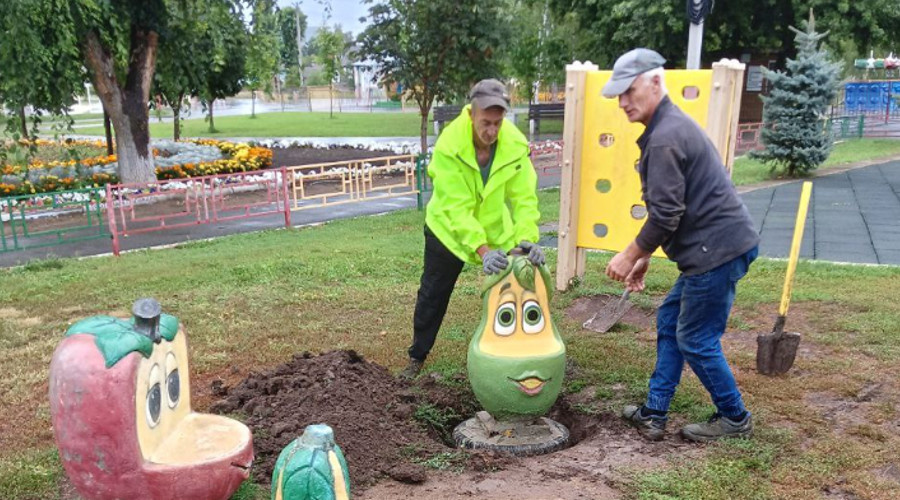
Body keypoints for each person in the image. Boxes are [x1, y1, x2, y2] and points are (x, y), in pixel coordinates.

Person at [601, 49, 760, 442]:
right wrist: (645, 256)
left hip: (716, 252)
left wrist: (630, 253)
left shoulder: (665, 138)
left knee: (696, 337)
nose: (622, 102)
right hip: (712, 249)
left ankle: (735, 418)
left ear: (655, 83)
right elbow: (669, 208)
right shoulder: (665, 129)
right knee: (671, 321)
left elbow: (666, 215)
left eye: (629, 91)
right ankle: (654, 412)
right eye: (618, 94)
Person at [400, 79, 544, 379]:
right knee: (433, 293)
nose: (492, 131)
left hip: (495, 230)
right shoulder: (450, 146)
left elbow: (524, 198)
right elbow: (456, 208)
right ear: (471, 114)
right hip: (448, 232)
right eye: (485, 123)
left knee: (514, 286)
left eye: (498, 123)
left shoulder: (514, 144)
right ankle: (417, 356)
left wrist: (526, 238)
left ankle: (510, 352)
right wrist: (482, 249)